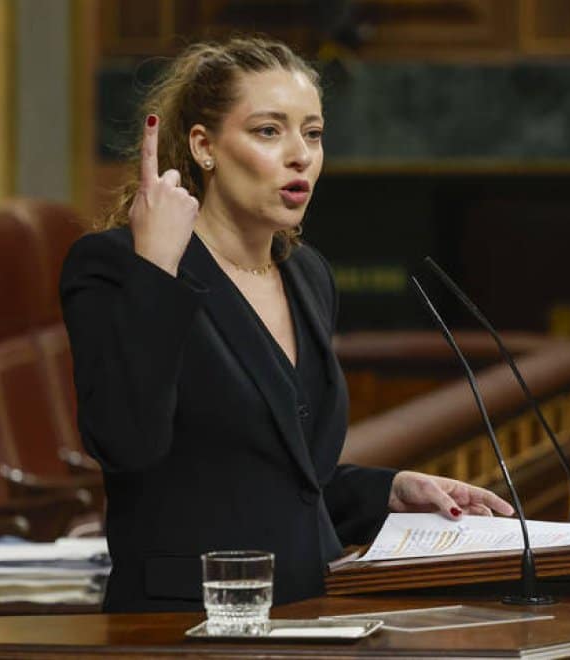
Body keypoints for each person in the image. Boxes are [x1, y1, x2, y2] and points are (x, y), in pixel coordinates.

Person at [60, 36, 513, 613]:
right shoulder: (117, 265)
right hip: (185, 624)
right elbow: (126, 443)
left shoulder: (307, 274)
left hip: (313, 614)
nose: (300, 155)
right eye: (269, 131)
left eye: (313, 133)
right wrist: (157, 269)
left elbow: (290, 481)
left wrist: (389, 491)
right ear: (204, 146)